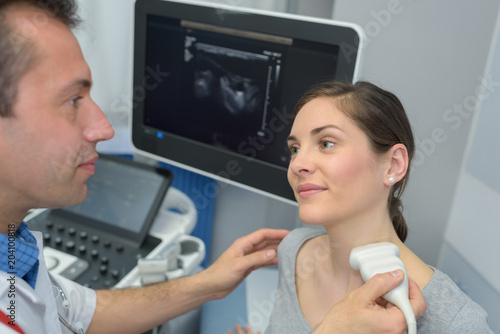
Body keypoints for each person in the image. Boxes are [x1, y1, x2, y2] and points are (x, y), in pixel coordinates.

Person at [0, 1, 425, 333]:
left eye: (327, 143)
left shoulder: (14, 251)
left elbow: (75, 312)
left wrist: (211, 281)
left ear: (394, 164)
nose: (104, 128)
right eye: (73, 100)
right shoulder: (298, 256)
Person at [260, 80, 493, 333]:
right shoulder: (294, 251)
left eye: (326, 143)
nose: (296, 164)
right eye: (295, 149)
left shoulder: (456, 323)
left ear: (393, 165)